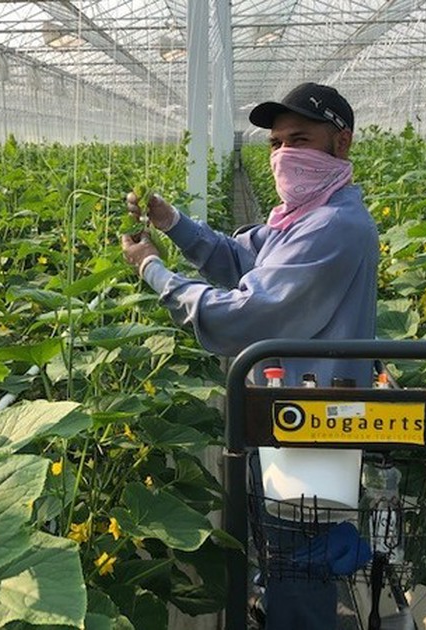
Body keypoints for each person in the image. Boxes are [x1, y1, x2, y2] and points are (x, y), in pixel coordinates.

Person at [120, 82, 379, 629]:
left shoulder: (334, 226)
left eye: (301, 139)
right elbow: (240, 257)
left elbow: (243, 314)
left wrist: (154, 272)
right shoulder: (300, 216)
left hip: (313, 425)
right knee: (289, 545)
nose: (285, 154)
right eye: (277, 143)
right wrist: (173, 224)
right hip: (291, 415)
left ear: (342, 143)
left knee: (298, 557)